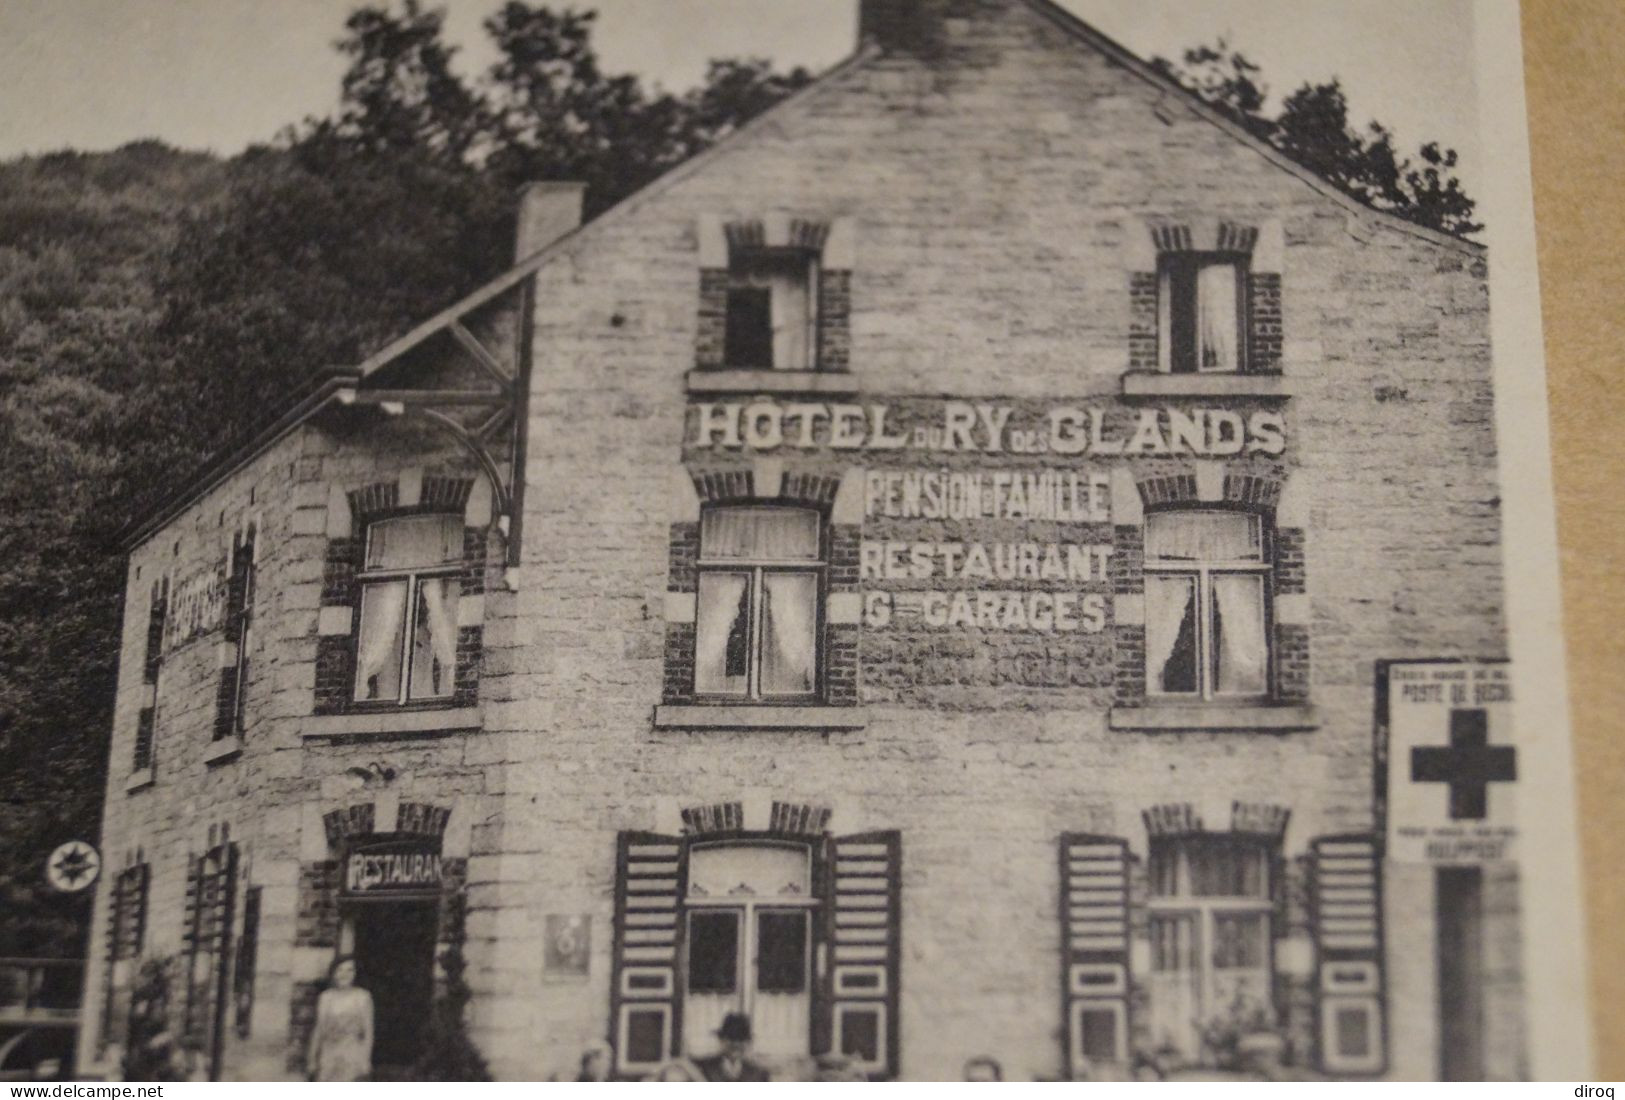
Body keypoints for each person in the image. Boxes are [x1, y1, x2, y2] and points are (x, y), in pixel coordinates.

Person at [306, 956, 373, 1082]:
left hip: (352, 1053)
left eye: (350, 970)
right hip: (329, 1053)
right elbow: (319, 1029)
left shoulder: (363, 997)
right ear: (334, 973)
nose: (344, 974)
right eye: (340, 970)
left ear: (355, 974)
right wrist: (312, 1059)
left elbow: (368, 1031)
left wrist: (366, 1059)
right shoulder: (326, 997)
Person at [693, 1014, 770, 1082]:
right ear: (721, 1040)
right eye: (731, 1038)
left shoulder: (759, 1074)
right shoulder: (703, 1069)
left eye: (741, 1039)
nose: (736, 1044)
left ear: (748, 1043)